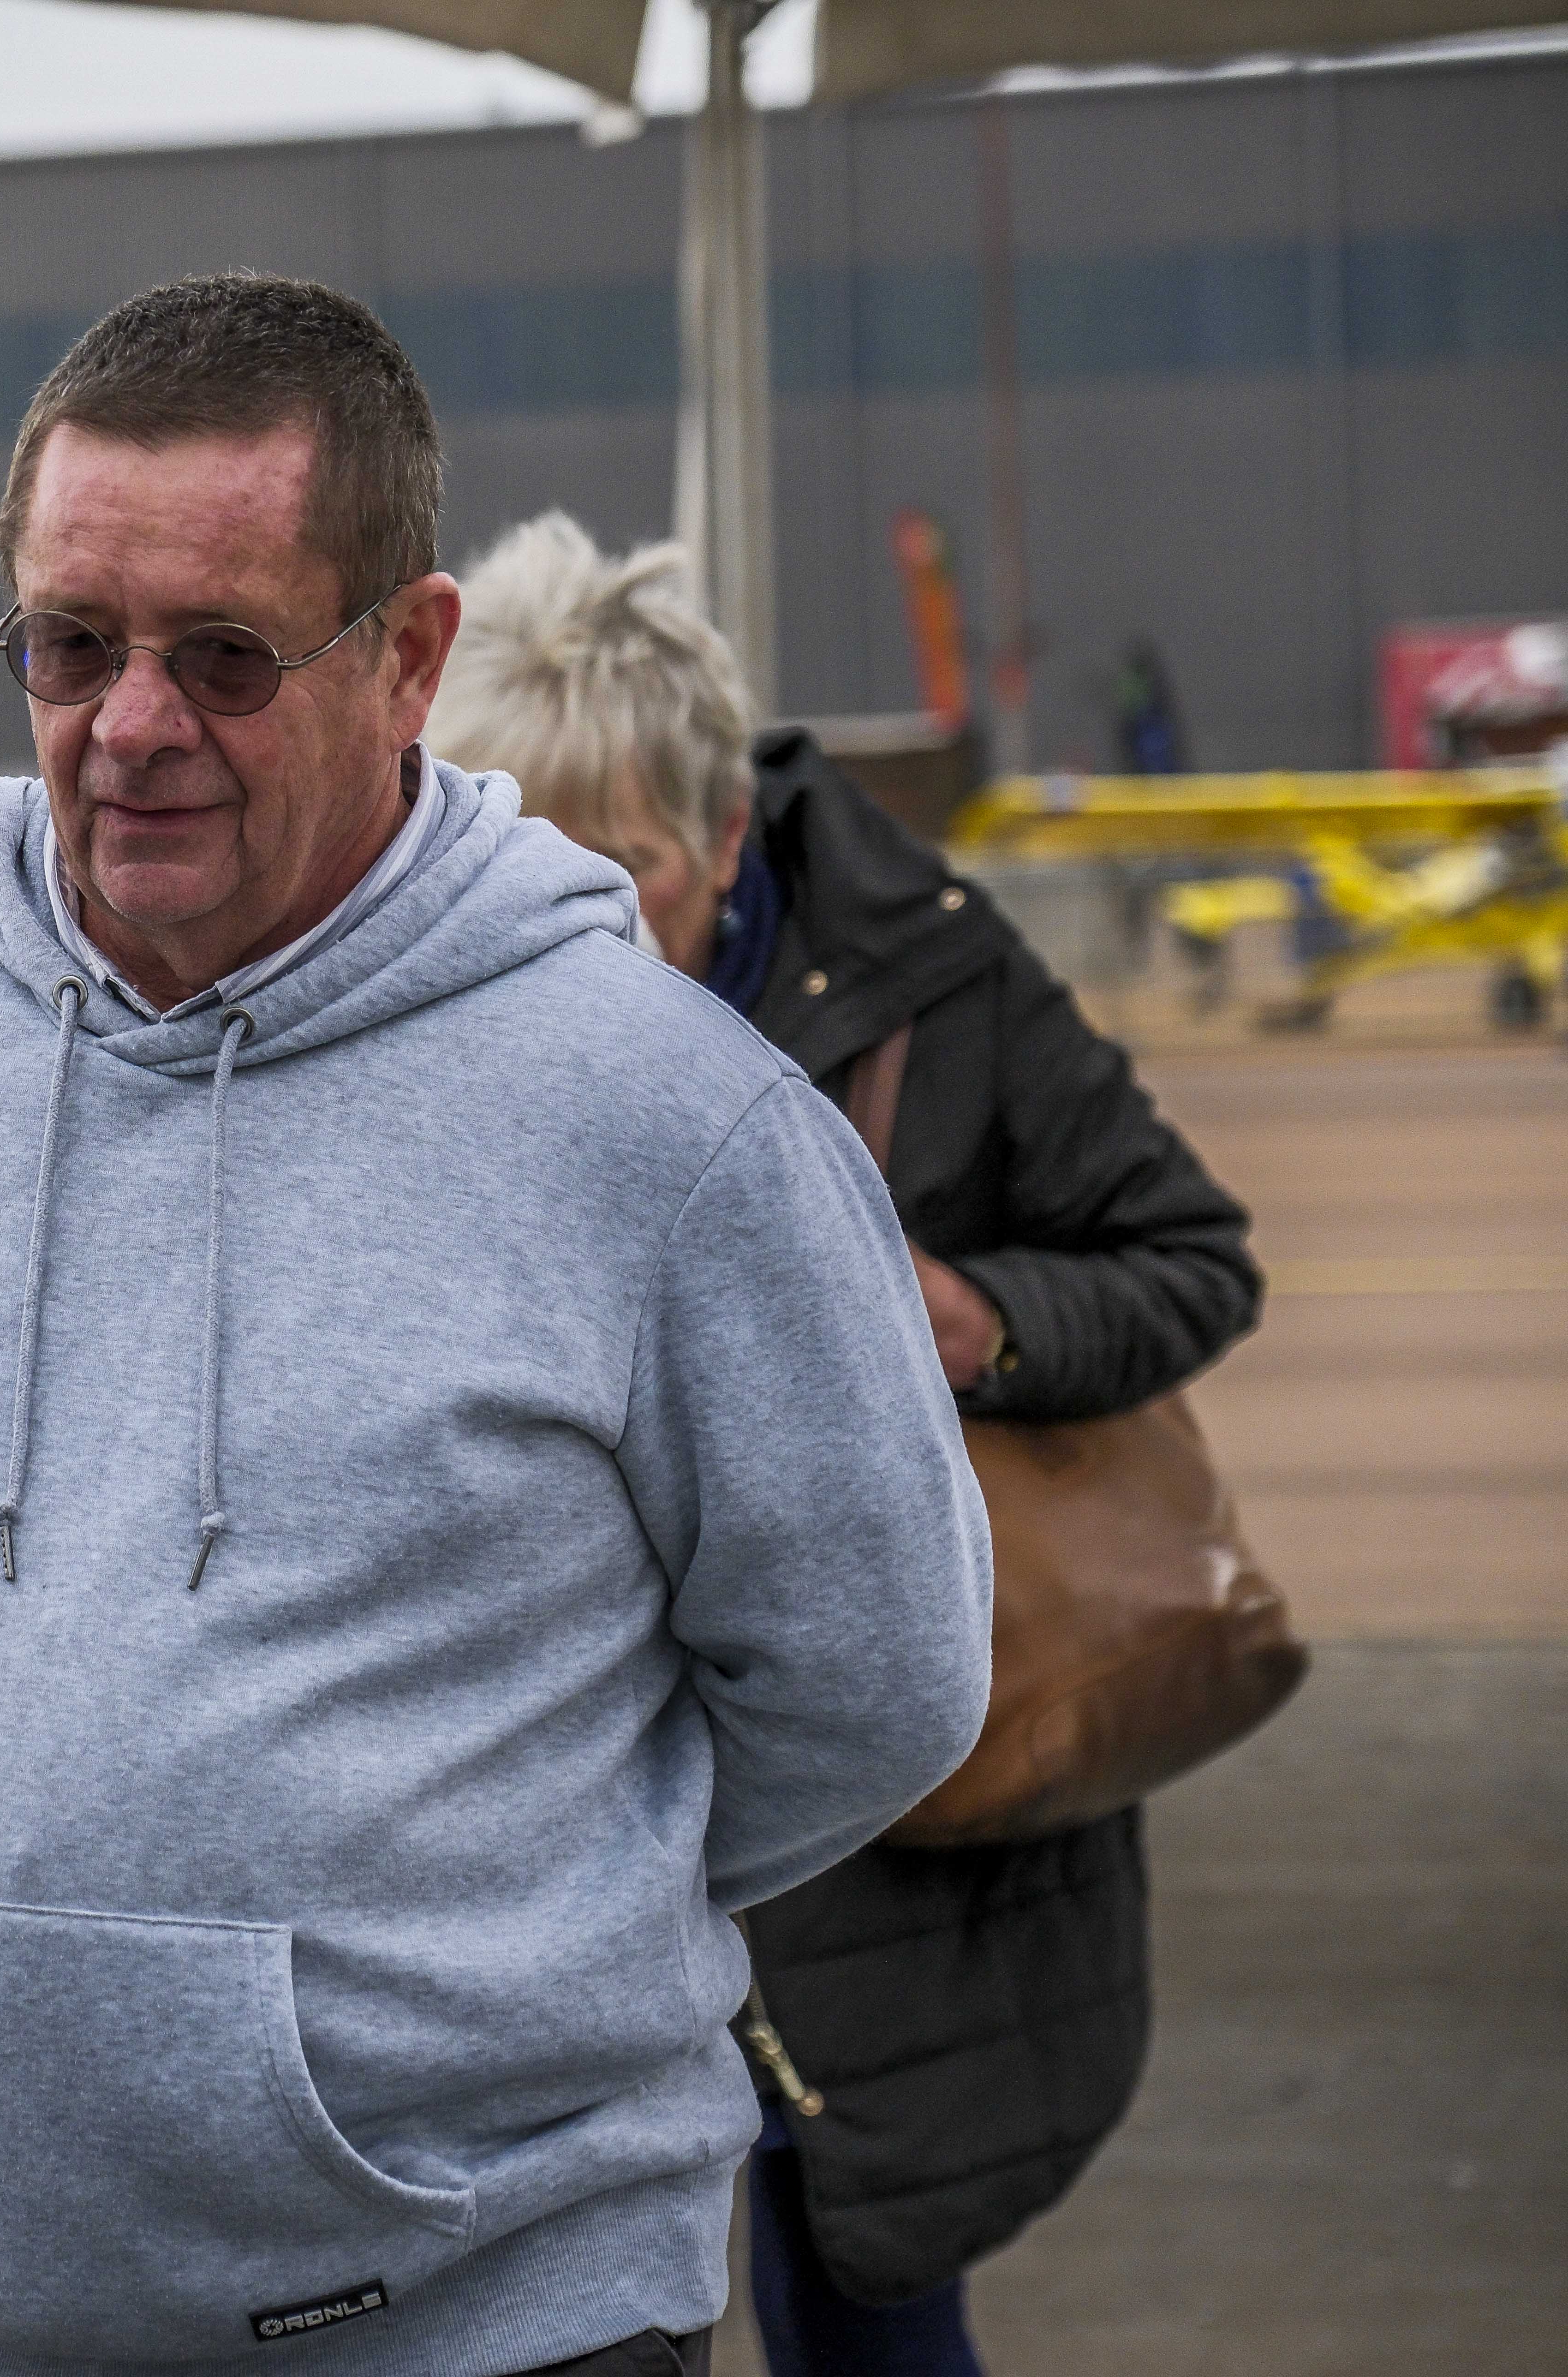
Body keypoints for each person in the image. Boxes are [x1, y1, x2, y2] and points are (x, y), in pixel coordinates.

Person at [0, 273, 990, 2377]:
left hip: (489, 2321)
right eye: (70, 645)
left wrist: (471, 1943)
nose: (132, 725)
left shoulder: (670, 1124)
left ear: (411, 660)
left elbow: (877, 1679)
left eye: (225, 655)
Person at [428, 512, 1262, 2377]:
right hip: (558, 1808)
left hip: (869, 1840)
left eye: (620, 875)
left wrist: (971, 1320)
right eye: (509, 868)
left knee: (863, 2299)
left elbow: (1191, 1258)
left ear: (728, 835)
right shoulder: (441, 1008)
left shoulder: (932, 973)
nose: (560, 930)